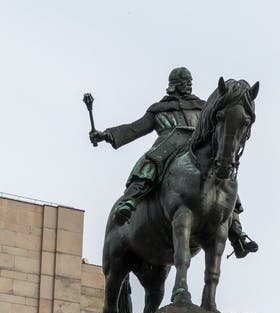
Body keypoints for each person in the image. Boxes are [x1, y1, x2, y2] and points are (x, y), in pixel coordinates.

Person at [90, 67, 258, 259]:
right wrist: (107, 135)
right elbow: (135, 129)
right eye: (183, 83)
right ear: (173, 86)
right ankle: (130, 201)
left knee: (224, 179)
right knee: (150, 163)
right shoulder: (159, 110)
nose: (187, 87)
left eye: (189, 83)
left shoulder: (203, 107)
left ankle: (236, 231)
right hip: (169, 143)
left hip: (197, 148)